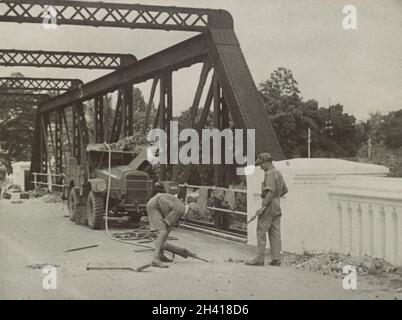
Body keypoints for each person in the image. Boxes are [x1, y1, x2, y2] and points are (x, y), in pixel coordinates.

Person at [246, 153, 288, 267]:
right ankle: (276, 259)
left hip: (268, 205)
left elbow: (270, 191)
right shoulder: (278, 173)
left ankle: (259, 259)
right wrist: (276, 198)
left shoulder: (269, 174)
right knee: (275, 232)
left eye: (261, 164)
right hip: (277, 205)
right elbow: (285, 190)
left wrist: (263, 207)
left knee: (261, 231)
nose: (260, 167)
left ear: (266, 162)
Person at [146, 192, 200, 267]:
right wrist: (164, 238)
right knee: (162, 232)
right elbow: (167, 222)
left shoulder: (181, 210)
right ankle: (155, 260)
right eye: (193, 216)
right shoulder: (180, 210)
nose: (192, 218)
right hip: (154, 206)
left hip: (156, 205)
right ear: (191, 211)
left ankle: (161, 255)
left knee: (164, 232)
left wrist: (165, 240)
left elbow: (169, 226)